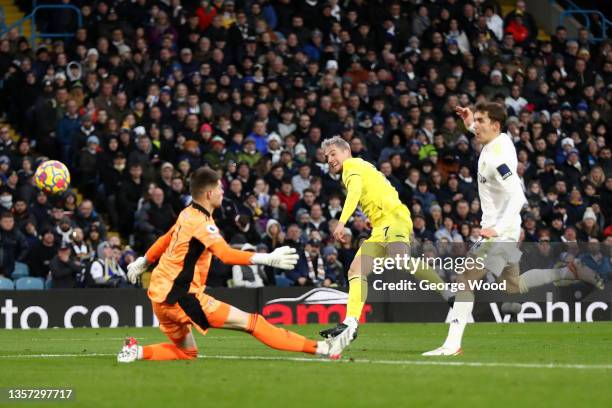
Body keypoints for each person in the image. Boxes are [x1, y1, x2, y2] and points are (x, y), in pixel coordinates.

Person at [423, 102, 602, 356]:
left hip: (500, 231)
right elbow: (479, 127)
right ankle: (567, 272)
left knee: (465, 279)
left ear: (495, 126)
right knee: (513, 285)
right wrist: (470, 120)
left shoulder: (498, 160)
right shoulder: (500, 138)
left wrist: (497, 229)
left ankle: (452, 344)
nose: (476, 126)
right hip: (505, 229)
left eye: (481, 122)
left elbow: (518, 197)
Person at [117, 167, 333, 362]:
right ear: (209, 193)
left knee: (187, 353)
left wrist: (144, 261)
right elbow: (225, 254)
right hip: (182, 297)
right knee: (253, 322)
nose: (223, 192)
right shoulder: (202, 224)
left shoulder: (186, 213)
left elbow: (165, 238)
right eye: (220, 188)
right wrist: (266, 258)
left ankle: (136, 351)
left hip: (160, 297)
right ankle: (321, 347)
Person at [319, 136, 450, 357]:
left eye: (333, 153)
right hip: (382, 225)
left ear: (346, 151)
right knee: (356, 271)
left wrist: (341, 222)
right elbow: (375, 190)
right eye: (326, 156)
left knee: (399, 259)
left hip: (393, 219)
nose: (330, 159)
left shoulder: (351, 166)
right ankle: (350, 323)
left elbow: (354, 193)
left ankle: (447, 291)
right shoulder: (362, 166)